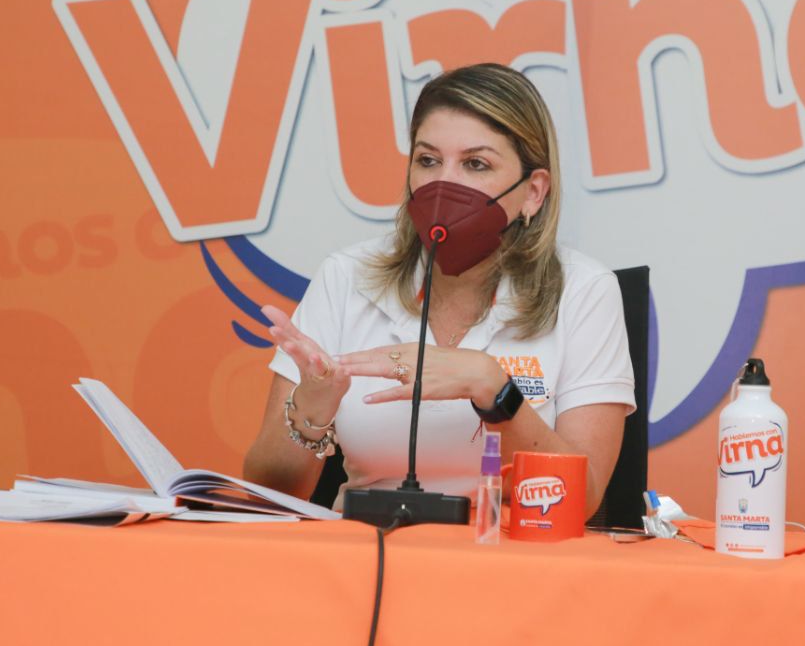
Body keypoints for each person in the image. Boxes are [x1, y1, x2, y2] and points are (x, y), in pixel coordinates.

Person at [242, 63, 636, 517]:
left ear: (533, 192)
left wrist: (492, 387)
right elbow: (269, 492)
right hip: (366, 551)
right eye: (428, 161)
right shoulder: (346, 277)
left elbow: (581, 499)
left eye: (475, 164)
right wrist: (312, 407)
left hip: (509, 553)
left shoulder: (584, 291)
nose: (444, 183)